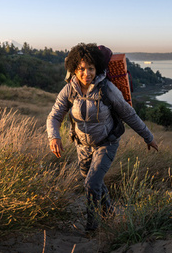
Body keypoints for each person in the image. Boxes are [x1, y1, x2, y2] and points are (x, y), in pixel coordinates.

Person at [47, 43, 159, 232]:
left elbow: (128, 114)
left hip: (106, 143)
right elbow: (55, 115)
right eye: (81, 69)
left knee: (91, 183)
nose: (86, 73)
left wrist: (148, 137)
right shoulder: (69, 90)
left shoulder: (107, 89)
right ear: (75, 69)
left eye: (90, 68)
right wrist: (54, 137)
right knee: (93, 182)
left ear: (97, 68)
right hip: (81, 146)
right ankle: (109, 212)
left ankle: (92, 228)